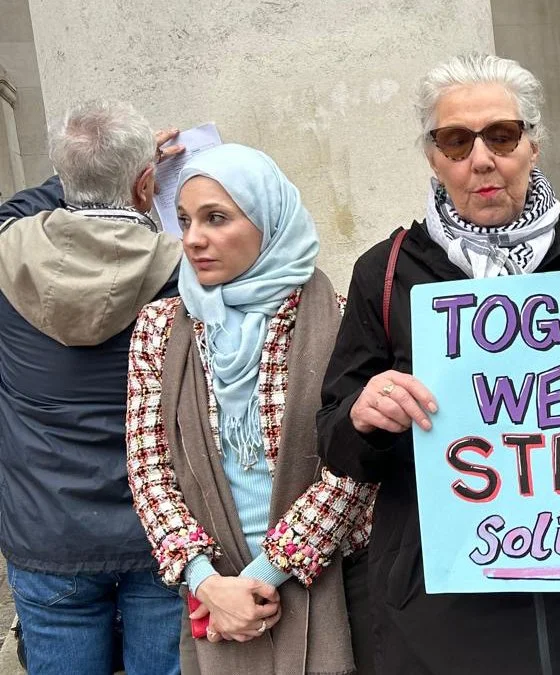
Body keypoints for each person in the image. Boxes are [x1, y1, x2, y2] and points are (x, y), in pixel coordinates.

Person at [316, 52, 560, 674]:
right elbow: (333, 438)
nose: (481, 160)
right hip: (440, 616)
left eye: (501, 135)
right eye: (456, 141)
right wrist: (364, 415)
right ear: (433, 156)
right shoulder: (385, 273)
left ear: (533, 145)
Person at [126, 144, 377, 674]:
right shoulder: (161, 327)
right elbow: (149, 468)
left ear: (268, 220)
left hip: (328, 578)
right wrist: (207, 582)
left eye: (217, 218)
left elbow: (356, 468)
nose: (193, 238)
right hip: (212, 587)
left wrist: (265, 574)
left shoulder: (335, 321)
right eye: (186, 220)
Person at [0, 100, 183, 674]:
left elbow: (13, 209)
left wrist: (81, 173)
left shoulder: (6, 254)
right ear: (147, 184)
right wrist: (126, 171)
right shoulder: (188, 272)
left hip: (45, 532)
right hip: (163, 532)